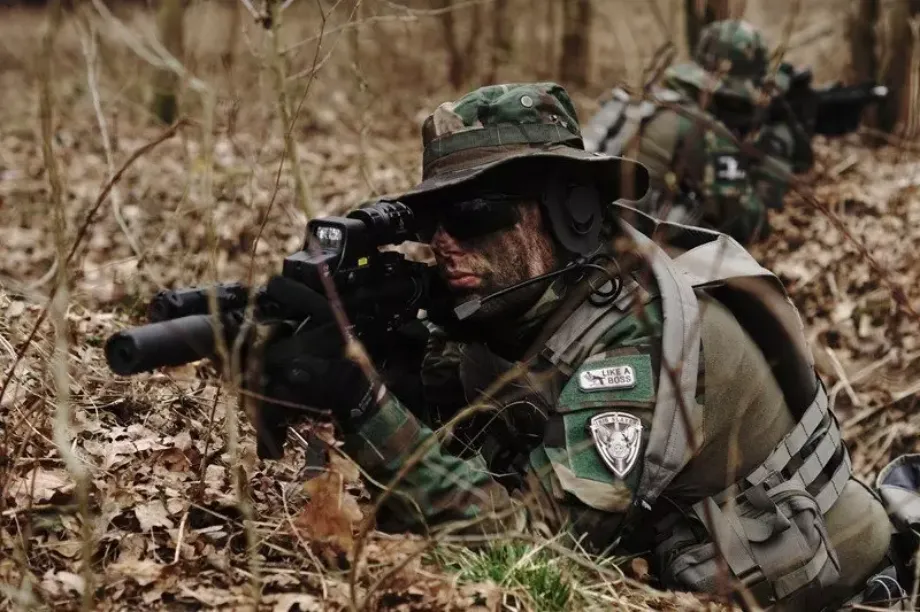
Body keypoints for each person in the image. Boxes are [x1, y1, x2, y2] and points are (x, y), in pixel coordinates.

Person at [244, 83, 908, 610]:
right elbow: (471, 422)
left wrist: (365, 402)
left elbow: (536, 551)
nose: (444, 242)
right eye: (433, 220)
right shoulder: (527, 293)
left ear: (570, 211)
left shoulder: (636, 332)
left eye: (472, 215)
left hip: (811, 581)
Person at [583, 19, 810, 246]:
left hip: (582, 232)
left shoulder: (637, 101)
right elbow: (748, 224)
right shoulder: (706, 130)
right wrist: (772, 165)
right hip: (622, 249)